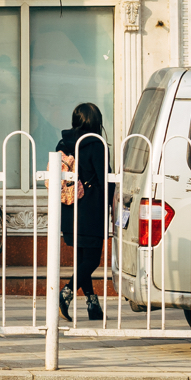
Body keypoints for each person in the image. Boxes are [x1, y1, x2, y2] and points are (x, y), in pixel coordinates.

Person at [57, 102, 112, 323]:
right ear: (96, 121)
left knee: (82, 260)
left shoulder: (63, 143)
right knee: (92, 260)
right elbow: (105, 179)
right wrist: (112, 204)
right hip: (91, 211)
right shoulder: (97, 144)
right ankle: (65, 293)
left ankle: (93, 305)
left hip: (70, 209)